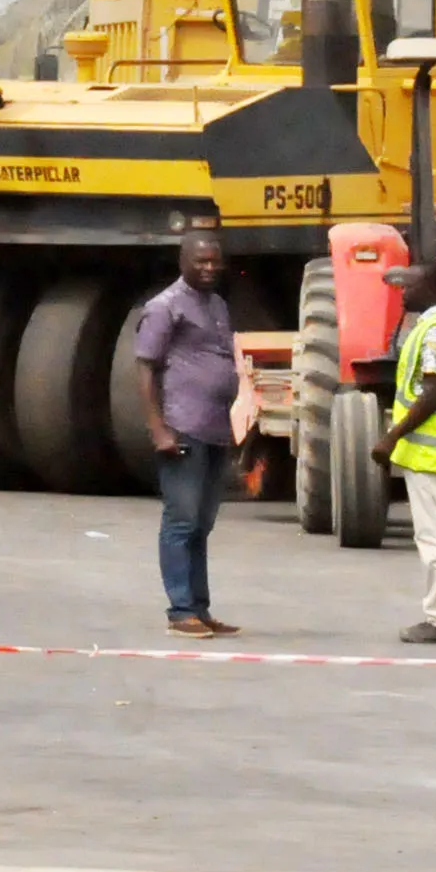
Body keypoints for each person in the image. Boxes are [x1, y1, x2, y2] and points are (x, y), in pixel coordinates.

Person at [134, 227, 252, 638]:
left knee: (202, 524)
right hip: (183, 427)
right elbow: (146, 367)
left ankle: (199, 609)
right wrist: (158, 429)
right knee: (181, 521)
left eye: (214, 260)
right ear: (183, 261)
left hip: (215, 427)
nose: (208, 267)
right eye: (200, 260)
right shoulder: (165, 307)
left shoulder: (216, 303)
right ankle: (180, 610)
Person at [372, 259, 436, 643]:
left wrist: (392, 435)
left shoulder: (433, 330)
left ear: (432, 287)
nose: (403, 291)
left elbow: (433, 389)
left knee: (435, 538)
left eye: (410, 286)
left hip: (430, 453)